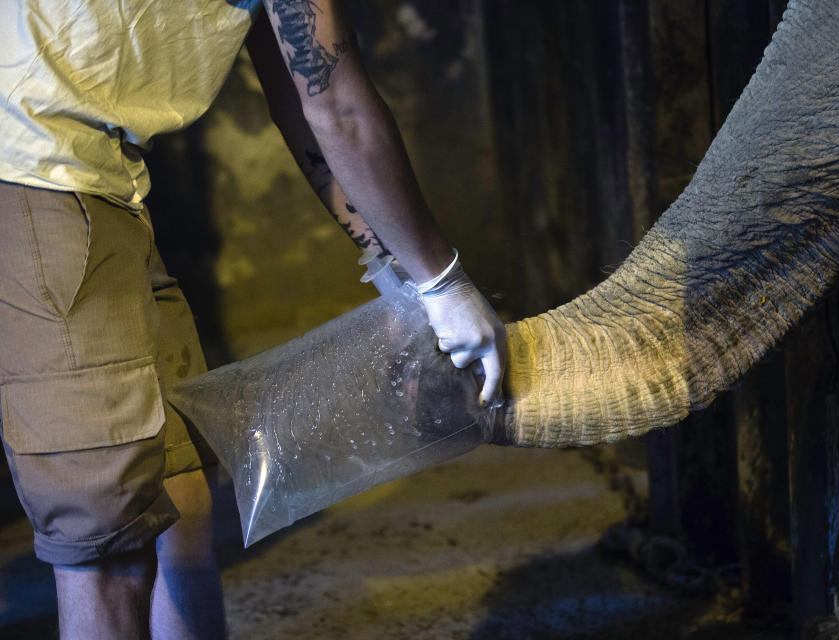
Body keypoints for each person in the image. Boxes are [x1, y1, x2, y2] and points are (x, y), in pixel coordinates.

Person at [0, 1, 505, 637]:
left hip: (102, 183)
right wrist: (443, 281)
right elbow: (338, 106)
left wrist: (393, 272)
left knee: (178, 491)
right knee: (106, 539)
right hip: (29, 172)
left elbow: (300, 91)